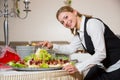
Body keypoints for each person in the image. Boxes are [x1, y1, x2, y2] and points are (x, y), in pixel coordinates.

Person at [37, 6, 120, 80]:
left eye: (66, 17)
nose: (65, 22)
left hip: (117, 65)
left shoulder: (92, 24)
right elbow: (70, 49)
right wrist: (52, 46)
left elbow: (101, 54)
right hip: (104, 67)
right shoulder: (79, 33)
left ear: (74, 12)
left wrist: (77, 67)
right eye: (62, 22)